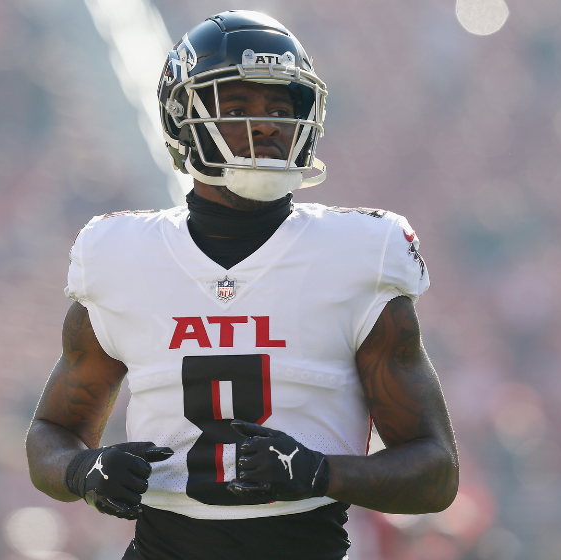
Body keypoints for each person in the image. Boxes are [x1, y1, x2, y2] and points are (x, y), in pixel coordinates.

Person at [26, 10, 458, 560]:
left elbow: (436, 472)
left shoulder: (361, 252)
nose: (270, 125)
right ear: (182, 119)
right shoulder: (118, 255)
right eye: (237, 108)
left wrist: (320, 472)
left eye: (281, 107)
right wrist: (82, 469)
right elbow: (50, 432)